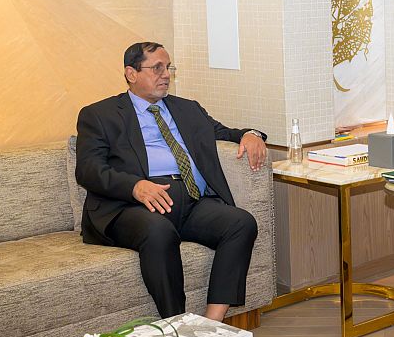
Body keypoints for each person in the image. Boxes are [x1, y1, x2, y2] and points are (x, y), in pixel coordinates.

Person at [75, 42, 268, 322]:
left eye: (168, 68)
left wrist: (251, 135)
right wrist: (135, 186)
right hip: (131, 206)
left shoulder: (187, 109)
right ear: (131, 73)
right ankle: (176, 324)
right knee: (159, 232)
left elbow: (225, 132)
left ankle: (212, 324)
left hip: (190, 201)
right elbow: (88, 170)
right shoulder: (100, 115)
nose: (166, 75)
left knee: (241, 223)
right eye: (157, 68)